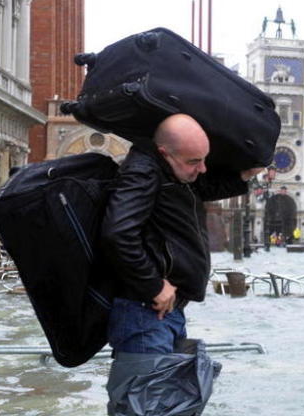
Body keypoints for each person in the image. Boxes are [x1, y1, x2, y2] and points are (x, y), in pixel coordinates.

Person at [100, 115, 263, 399]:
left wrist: (242, 176)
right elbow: (117, 233)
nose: (201, 168)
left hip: (164, 313)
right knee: (147, 406)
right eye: (193, 161)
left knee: (163, 404)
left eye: (203, 159)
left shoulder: (168, 171)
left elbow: (203, 187)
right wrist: (154, 285)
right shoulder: (143, 172)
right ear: (165, 152)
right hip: (145, 313)